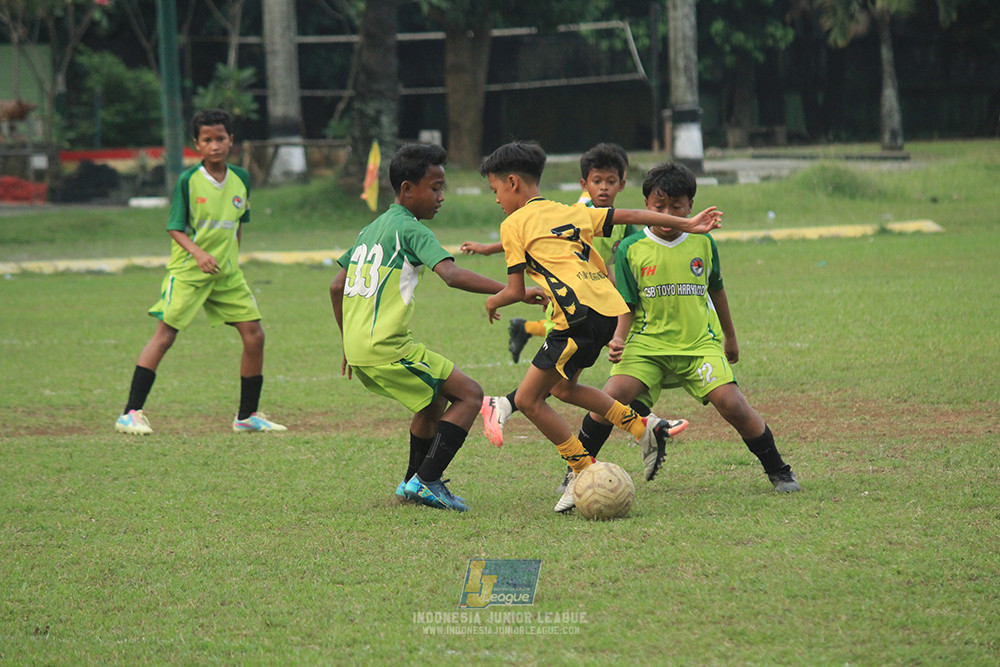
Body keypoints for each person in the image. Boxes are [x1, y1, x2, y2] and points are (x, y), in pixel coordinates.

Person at [479, 141, 723, 512]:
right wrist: (686, 223)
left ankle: (582, 469)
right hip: (606, 312)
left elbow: (512, 290)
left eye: (495, 190)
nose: (497, 199)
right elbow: (632, 217)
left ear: (512, 182)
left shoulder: (513, 223)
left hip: (573, 318)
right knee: (563, 388)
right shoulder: (570, 211)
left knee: (530, 400)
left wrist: (494, 300)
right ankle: (645, 428)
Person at [329, 143, 546, 512]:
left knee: (433, 402)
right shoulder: (410, 230)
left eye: (442, 188)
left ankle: (412, 482)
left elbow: (337, 285)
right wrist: (515, 291)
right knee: (470, 395)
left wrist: (347, 341)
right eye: (435, 188)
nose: (441, 197)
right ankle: (427, 481)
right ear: (407, 190)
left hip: (363, 345)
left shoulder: (372, 228)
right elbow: (452, 274)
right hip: (387, 346)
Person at [594, 162, 801, 492]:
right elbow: (627, 305)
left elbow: (716, 290)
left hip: (697, 346)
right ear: (647, 205)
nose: (668, 214)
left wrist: (730, 337)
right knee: (610, 398)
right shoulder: (630, 249)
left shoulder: (703, 243)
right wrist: (618, 338)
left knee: (733, 404)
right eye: (659, 207)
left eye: (676, 207)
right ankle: (576, 469)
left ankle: (779, 470)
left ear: (690, 206)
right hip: (647, 345)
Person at [114, 108, 285, 435]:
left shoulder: (241, 179)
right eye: (207, 140)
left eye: (220, 138)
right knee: (165, 336)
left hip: (227, 275)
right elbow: (175, 228)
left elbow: (237, 226)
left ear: (231, 140)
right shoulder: (188, 181)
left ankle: (246, 416)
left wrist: (232, 259)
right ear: (197, 145)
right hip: (190, 271)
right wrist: (199, 254)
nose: (215, 145)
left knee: (255, 335)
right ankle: (130, 413)